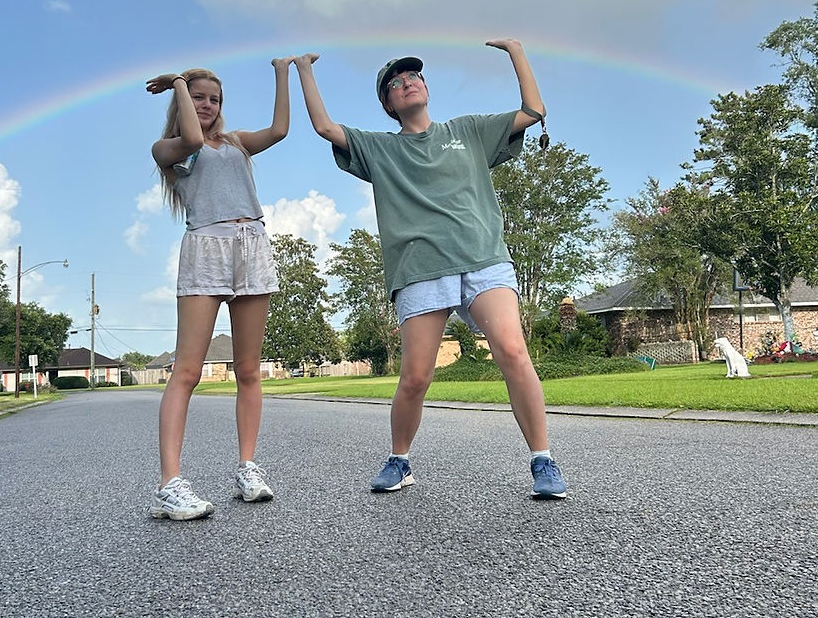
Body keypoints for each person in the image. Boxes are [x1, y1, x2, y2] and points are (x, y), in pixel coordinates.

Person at [292, 41, 568, 499]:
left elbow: (533, 109)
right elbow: (324, 126)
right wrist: (303, 70)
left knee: (513, 352)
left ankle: (544, 461)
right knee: (416, 376)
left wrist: (515, 51)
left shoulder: (470, 131)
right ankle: (399, 460)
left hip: (482, 258)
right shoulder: (379, 149)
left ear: (426, 87)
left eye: (413, 77)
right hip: (420, 267)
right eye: (395, 84)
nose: (406, 84)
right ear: (388, 105)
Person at [145, 59, 292, 520]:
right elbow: (191, 138)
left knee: (249, 370)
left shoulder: (235, 143)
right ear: (183, 100)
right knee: (186, 370)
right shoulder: (167, 147)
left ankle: (248, 468)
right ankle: (169, 485)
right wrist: (179, 83)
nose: (208, 105)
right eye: (198, 97)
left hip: (252, 243)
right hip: (206, 245)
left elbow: (281, 130)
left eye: (215, 99)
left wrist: (283, 71)